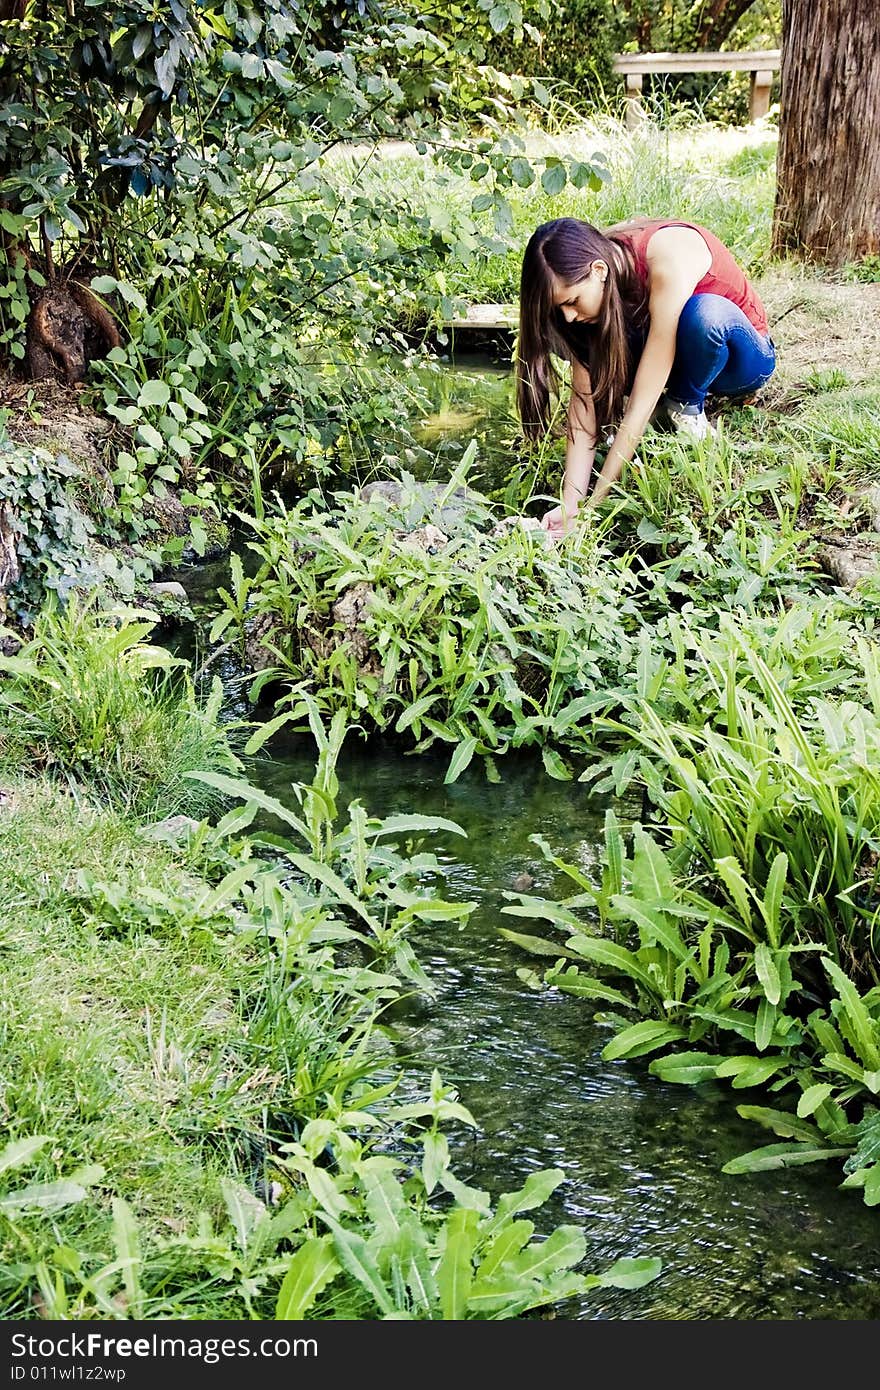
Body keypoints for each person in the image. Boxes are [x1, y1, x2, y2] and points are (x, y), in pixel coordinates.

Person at [515, 216, 777, 538]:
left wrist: (597, 505)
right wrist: (572, 505)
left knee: (702, 316)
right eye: (560, 307)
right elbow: (584, 405)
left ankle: (685, 404)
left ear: (599, 270)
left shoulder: (667, 256)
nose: (569, 314)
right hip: (681, 359)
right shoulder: (596, 292)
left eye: (571, 301)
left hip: (739, 357)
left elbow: (638, 406)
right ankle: (674, 399)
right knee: (571, 335)